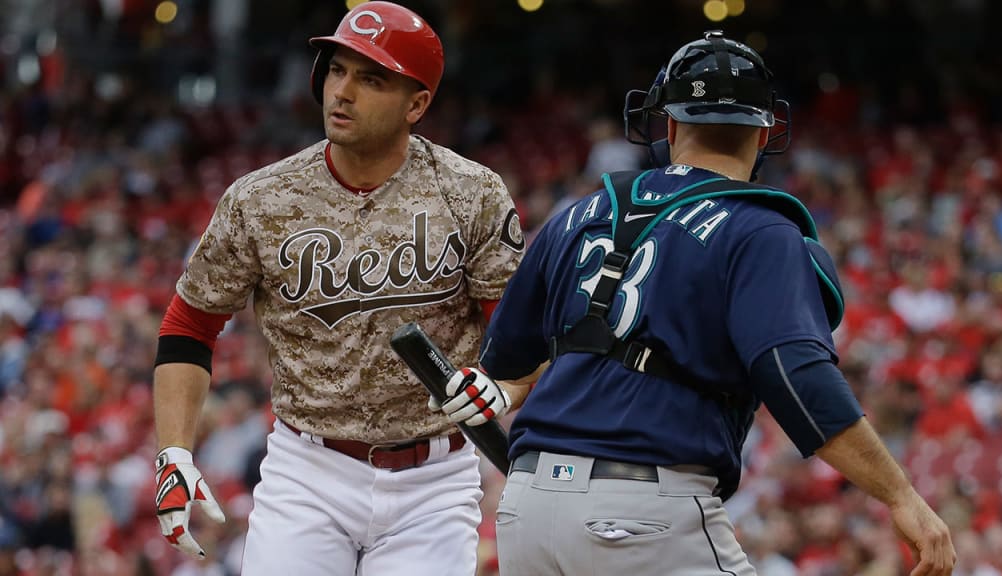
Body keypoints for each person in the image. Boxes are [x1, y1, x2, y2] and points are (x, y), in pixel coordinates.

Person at [435, 30, 957, 575]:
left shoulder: (575, 214)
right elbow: (796, 373)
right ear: (764, 133)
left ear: (671, 123)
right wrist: (902, 496)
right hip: (644, 514)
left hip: (527, 510)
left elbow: (504, 370)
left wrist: (502, 390)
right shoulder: (758, 230)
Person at [151, 2, 525, 575]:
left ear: (417, 104)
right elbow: (188, 326)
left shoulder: (472, 193)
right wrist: (174, 448)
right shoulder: (262, 198)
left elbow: (521, 332)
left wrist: (503, 385)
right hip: (308, 471)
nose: (342, 92)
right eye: (337, 70)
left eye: (371, 78)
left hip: (435, 480)